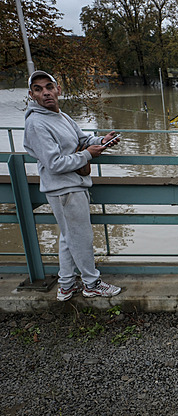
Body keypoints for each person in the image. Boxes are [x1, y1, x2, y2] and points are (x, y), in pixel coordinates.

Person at [23, 70, 122, 301]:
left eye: (49, 87)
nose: (45, 92)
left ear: (58, 89)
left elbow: (81, 140)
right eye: (38, 89)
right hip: (64, 189)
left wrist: (101, 141)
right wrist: (87, 155)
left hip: (70, 186)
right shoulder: (37, 123)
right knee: (81, 238)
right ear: (31, 95)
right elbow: (54, 163)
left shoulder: (61, 116)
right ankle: (91, 284)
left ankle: (66, 285)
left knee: (70, 238)